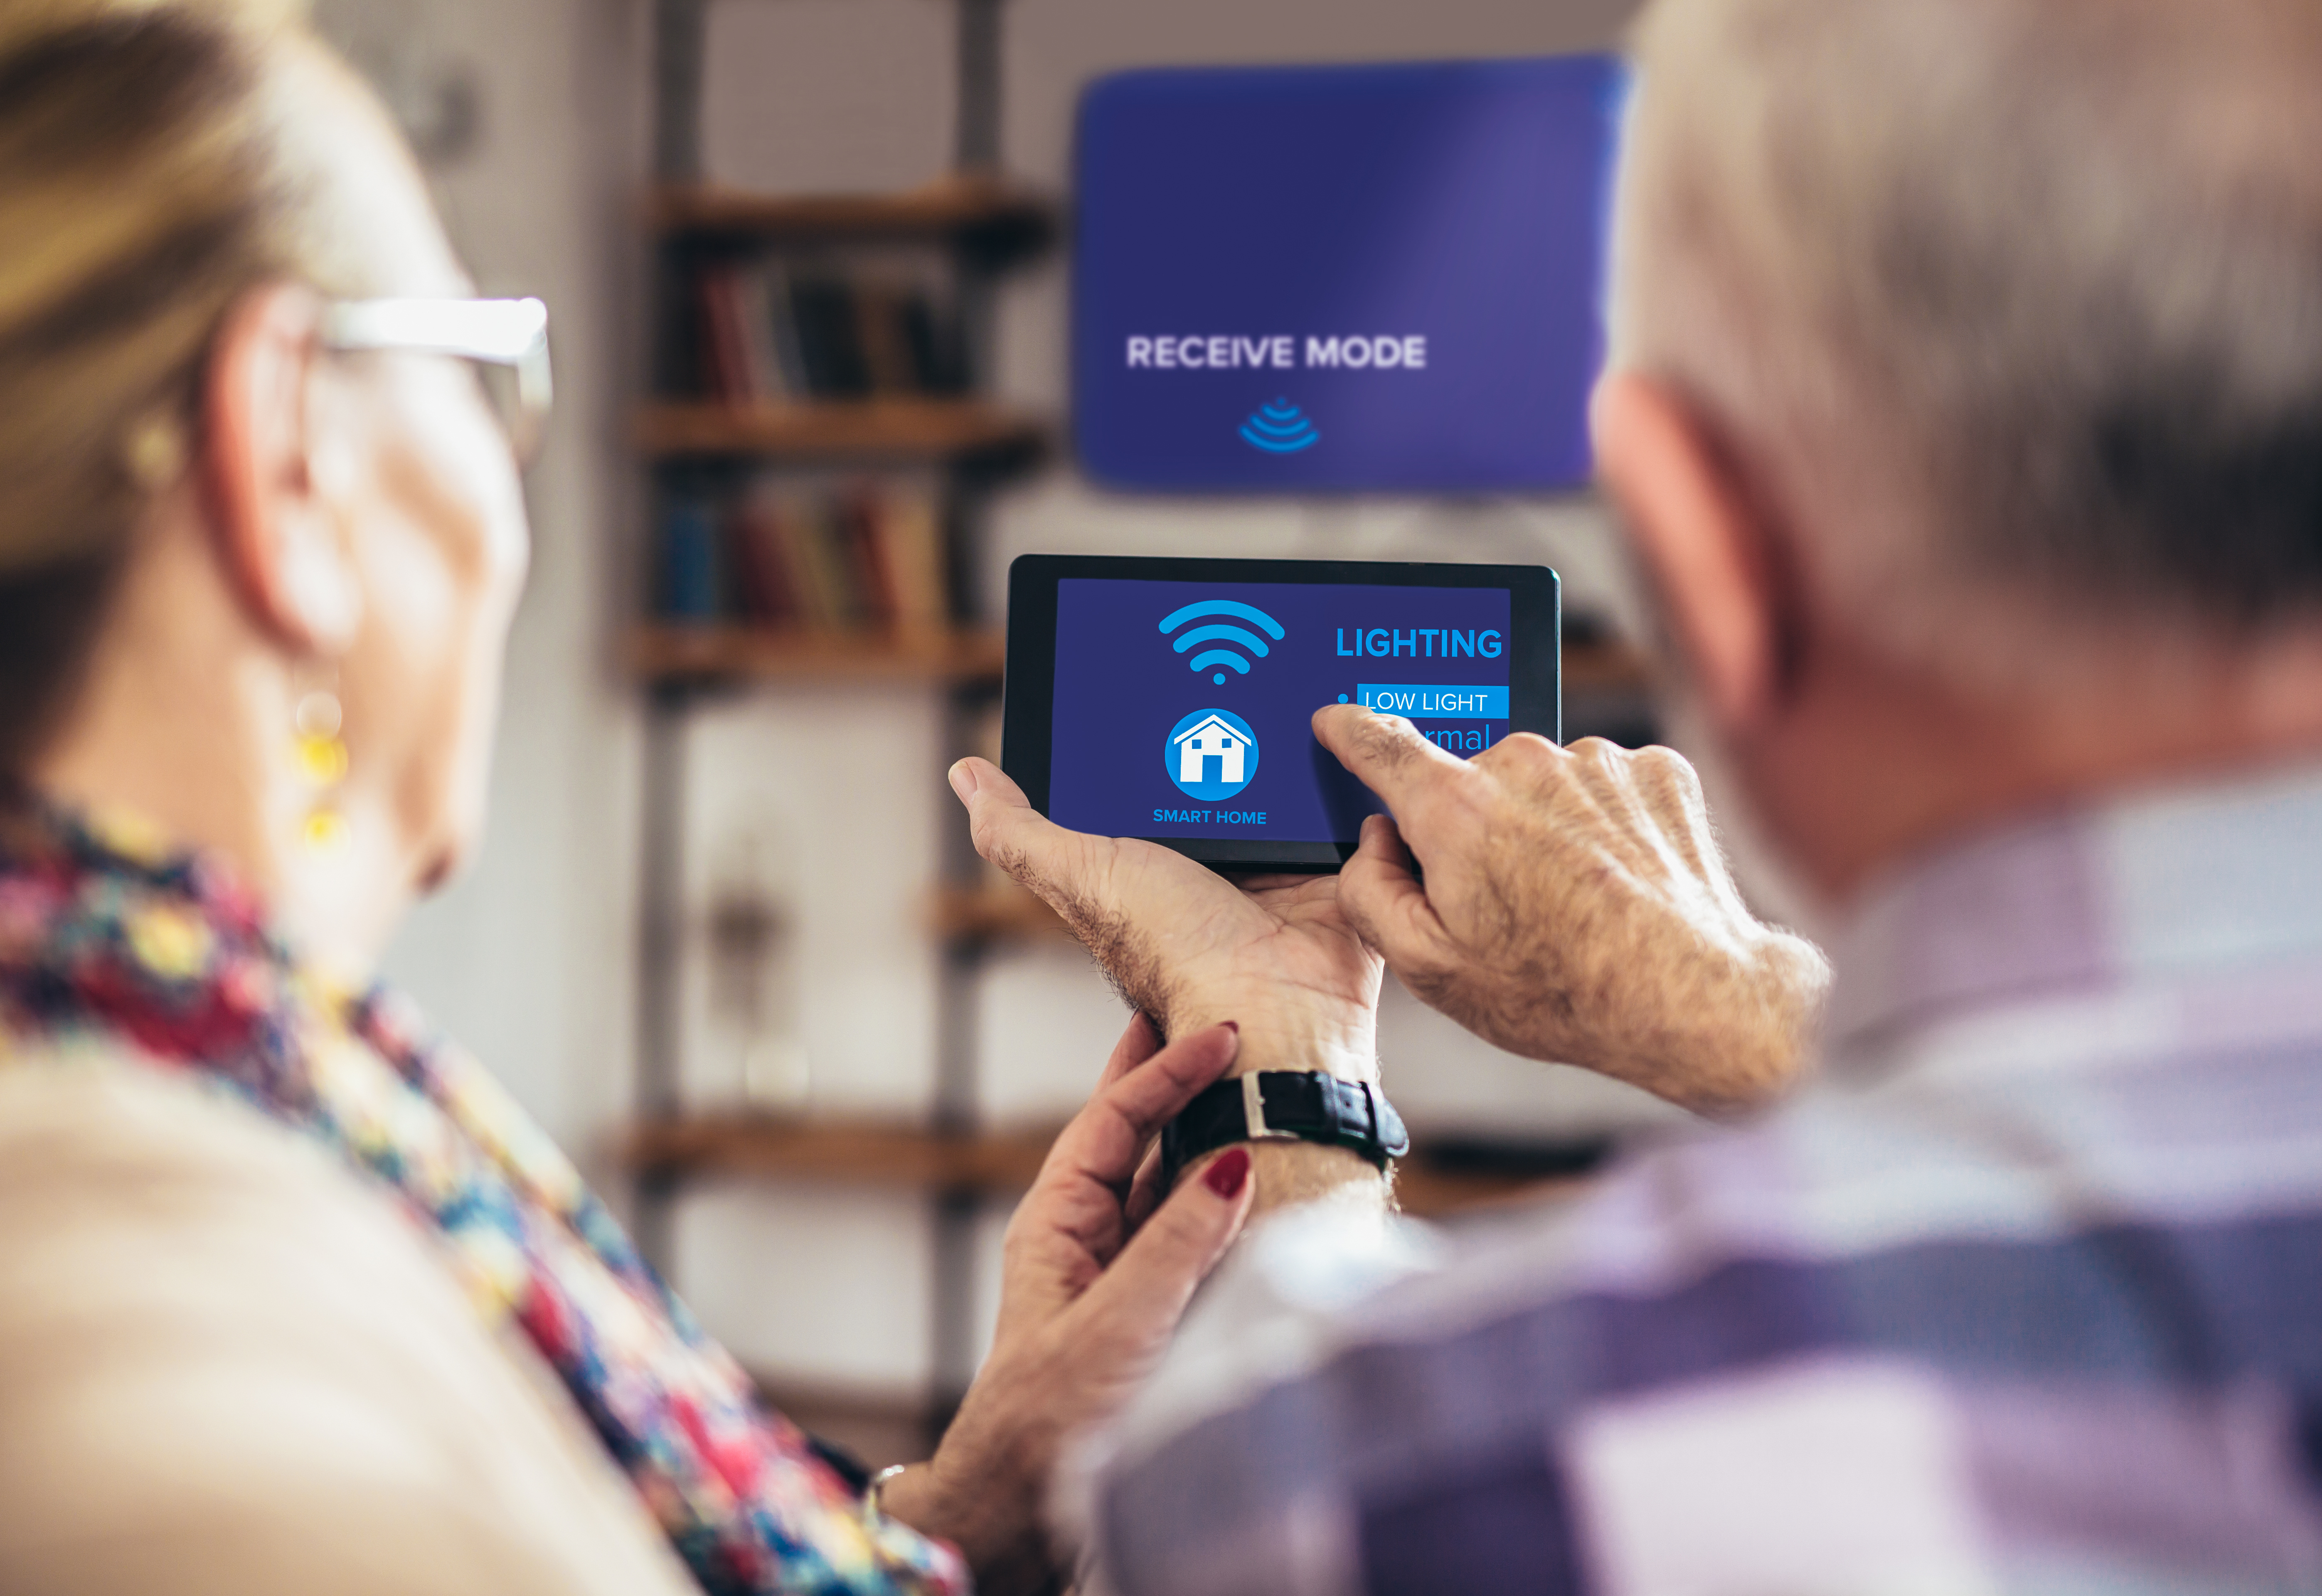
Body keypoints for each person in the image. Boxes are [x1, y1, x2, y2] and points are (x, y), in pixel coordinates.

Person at [950, 0, 2322, 1589]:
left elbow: (1297, 1467)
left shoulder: (1390, 1461)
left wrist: (1291, 1069)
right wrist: (1731, 1008)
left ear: (1702, 552)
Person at [0, 5, 1259, 1593]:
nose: (516, 492)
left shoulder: (125, 1060)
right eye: (491, 377)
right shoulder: (132, 1258)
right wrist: (1304, 1091)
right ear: (291, 460)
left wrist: (978, 1500)